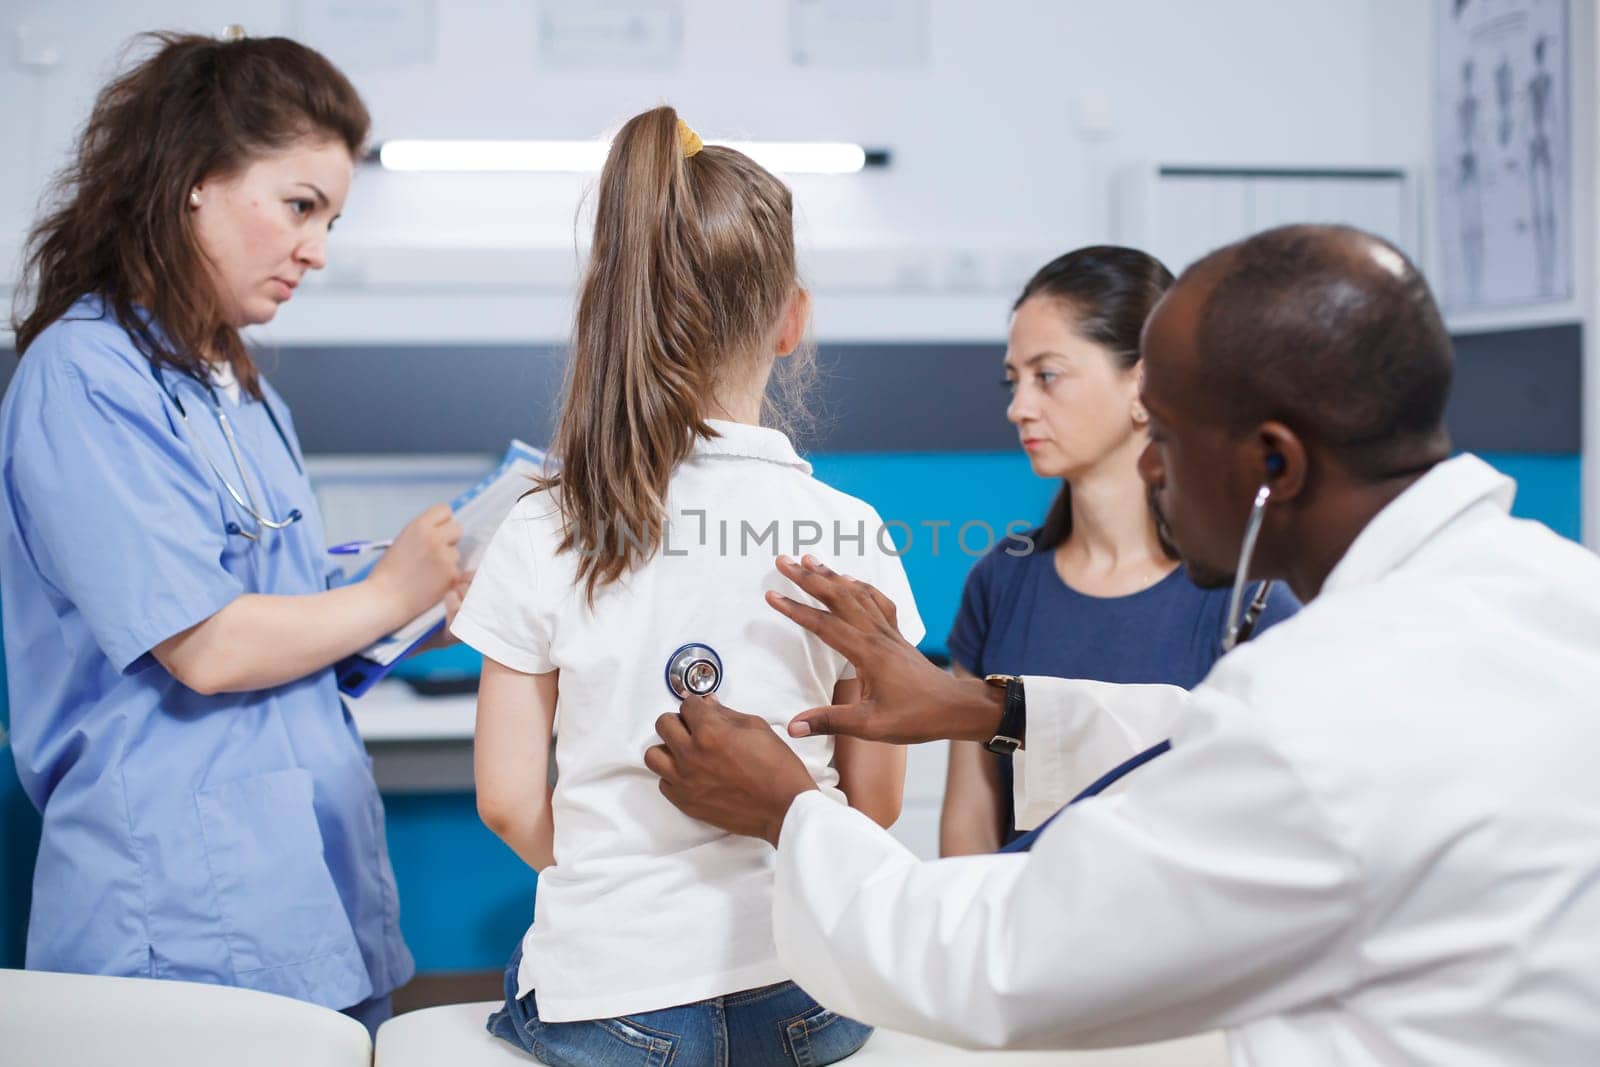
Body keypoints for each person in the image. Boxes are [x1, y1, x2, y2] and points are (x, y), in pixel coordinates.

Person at [644, 225, 1600, 1063]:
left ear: (1273, 462)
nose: (1150, 459)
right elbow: (1197, 731)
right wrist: (994, 708)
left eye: (1170, 435)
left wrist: (791, 812)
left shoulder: (1316, 707)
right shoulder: (1555, 592)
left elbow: (997, 958)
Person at [0, 31, 467, 1035]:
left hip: (304, 887)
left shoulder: (242, 392)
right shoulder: (85, 378)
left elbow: (292, 622)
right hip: (176, 914)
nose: (318, 250)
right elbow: (207, 645)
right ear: (192, 182)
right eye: (300, 205)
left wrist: (429, 608)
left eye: (331, 218)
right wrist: (389, 590)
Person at [449, 106, 922, 1067]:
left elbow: (505, 799)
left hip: (608, 997)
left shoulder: (546, 522)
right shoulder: (848, 532)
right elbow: (873, 804)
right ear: (794, 319)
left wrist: (612, 879)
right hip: (807, 993)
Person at [942, 247, 1295, 854]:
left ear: (1143, 385)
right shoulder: (1000, 582)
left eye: (1047, 375)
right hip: (1020, 940)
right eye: (1014, 380)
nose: (1019, 406)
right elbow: (971, 820)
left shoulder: (1251, 597)